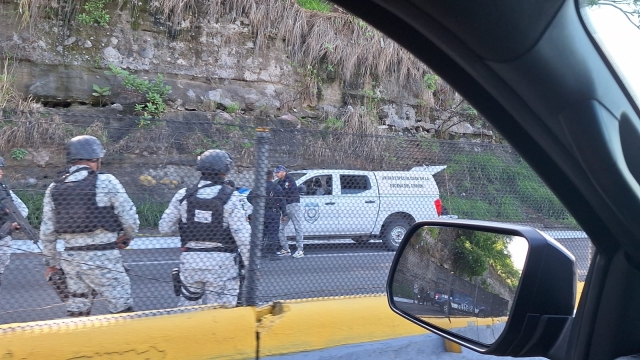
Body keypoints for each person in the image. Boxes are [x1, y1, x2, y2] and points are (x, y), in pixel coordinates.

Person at [40, 135, 139, 317]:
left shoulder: (55, 187)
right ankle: (126, 343)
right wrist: (127, 237)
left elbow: (47, 231)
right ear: (96, 159)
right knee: (122, 308)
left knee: (78, 308)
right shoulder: (107, 181)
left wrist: (52, 263)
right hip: (104, 256)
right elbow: (130, 218)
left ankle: (78, 342)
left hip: (71, 259)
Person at [159, 149, 250, 307]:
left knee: (189, 312)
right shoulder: (232, 197)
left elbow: (164, 227)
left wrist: (189, 224)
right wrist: (252, 266)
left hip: (191, 261)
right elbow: (243, 238)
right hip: (222, 263)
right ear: (224, 172)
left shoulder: (184, 195)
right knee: (222, 315)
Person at [0, 156, 29, 285]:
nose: (1, 172)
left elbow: (22, 209)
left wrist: (15, 221)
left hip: (3, 235)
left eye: (1, 169)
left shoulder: (5, 190)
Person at [247, 170, 287, 261]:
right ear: (272, 177)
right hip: (273, 213)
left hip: (261, 213)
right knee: (273, 233)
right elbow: (282, 201)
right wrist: (284, 213)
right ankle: (272, 254)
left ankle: (260, 253)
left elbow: (249, 197)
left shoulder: (259, 187)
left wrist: (257, 205)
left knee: (262, 233)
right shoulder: (276, 187)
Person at [274, 165, 304, 258]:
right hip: (285, 207)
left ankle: (300, 249)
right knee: (280, 228)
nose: (276, 174)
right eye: (276, 172)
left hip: (293, 205)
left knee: (297, 227)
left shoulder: (289, 180)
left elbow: (287, 192)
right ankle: (286, 249)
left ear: (283, 171)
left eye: (278, 172)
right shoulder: (279, 182)